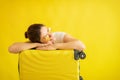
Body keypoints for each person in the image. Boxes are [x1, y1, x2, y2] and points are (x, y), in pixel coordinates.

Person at [8, 24, 86, 53]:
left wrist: (55, 46)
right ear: (40, 41)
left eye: (48, 30)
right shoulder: (36, 44)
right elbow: (11, 48)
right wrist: (35, 44)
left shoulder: (59, 36)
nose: (51, 34)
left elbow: (81, 45)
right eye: (46, 36)